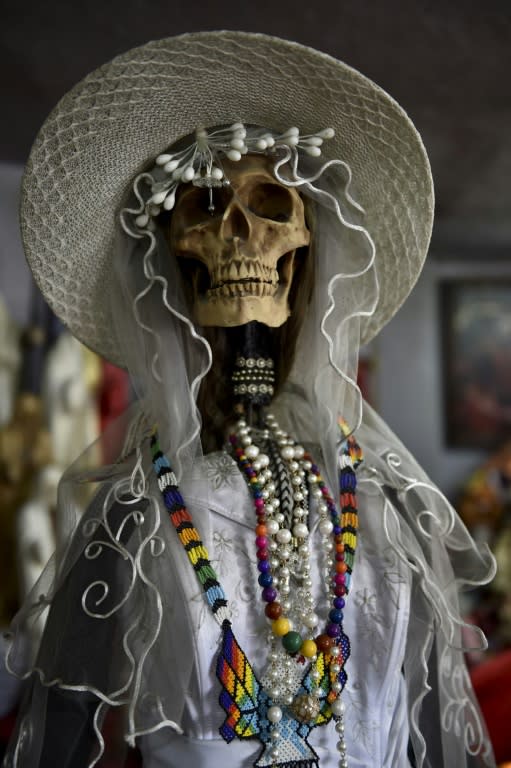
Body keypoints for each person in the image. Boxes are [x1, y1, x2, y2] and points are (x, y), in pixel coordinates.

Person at [4, 31, 495, 768]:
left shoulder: (380, 498)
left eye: (268, 208)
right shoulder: (143, 504)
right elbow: (66, 721)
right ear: (170, 251)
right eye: (205, 209)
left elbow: (426, 718)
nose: (237, 234)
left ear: (305, 249)